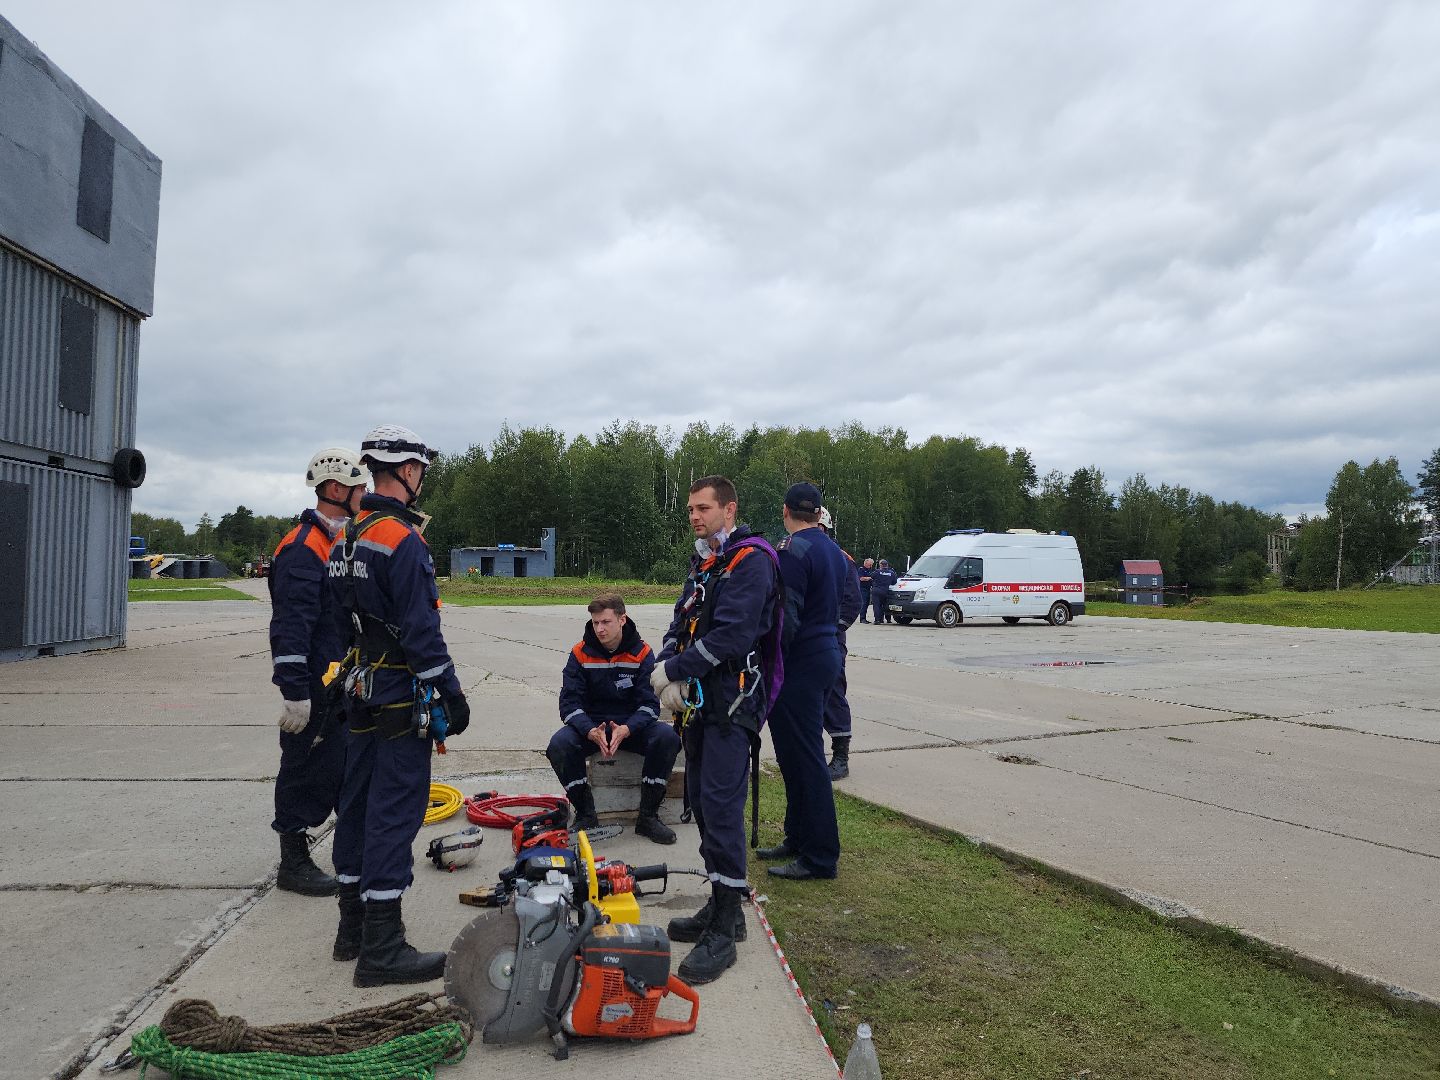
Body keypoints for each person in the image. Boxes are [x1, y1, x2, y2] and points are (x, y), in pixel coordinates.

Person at [327, 424, 470, 988]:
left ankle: (351, 929)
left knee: (356, 804)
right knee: (394, 811)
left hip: (358, 688)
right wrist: (451, 693)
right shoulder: (402, 540)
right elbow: (420, 630)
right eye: (421, 472)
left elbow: (340, 618)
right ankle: (383, 948)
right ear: (408, 471)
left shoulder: (349, 534)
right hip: (395, 697)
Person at [650, 475, 781, 985]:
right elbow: (682, 622)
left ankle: (725, 926)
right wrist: (667, 670)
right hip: (702, 706)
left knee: (722, 807)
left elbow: (733, 634)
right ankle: (724, 905)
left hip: (734, 702)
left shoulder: (752, 561)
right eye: (689, 509)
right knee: (702, 804)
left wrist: (678, 672)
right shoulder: (705, 560)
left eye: (703, 508)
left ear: (729, 509)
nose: (694, 517)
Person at [268, 448, 369, 896]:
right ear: (334, 489)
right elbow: (291, 626)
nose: (365, 495)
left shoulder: (337, 542)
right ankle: (292, 860)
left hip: (338, 680)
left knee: (340, 765)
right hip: (312, 684)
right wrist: (294, 691)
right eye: (359, 487)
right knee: (304, 766)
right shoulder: (302, 548)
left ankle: (349, 847)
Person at [756, 482, 846, 882]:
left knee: (806, 758)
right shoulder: (832, 550)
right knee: (793, 754)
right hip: (826, 652)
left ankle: (821, 856)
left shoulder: (793, 552)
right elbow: (845, 604)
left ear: (785, 510)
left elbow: (786, 617)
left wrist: (769, 661)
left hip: (799, 660)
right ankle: (797, 836)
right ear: (818, 512)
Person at [546, 593, 680, 845]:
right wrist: (589, 730)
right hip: (592, 726)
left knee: (667, 738)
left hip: (630, 726)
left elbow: (650, 705)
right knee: (559, 745)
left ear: (622, 619)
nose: (600, 628)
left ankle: (648, 817)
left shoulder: (642, 653)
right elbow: (569, 703)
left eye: (606, 622)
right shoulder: (579, 653)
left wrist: (627, 729)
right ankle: (586, 815)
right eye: (596, 622)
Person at [816, 507, 862, 780]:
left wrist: (833, 631)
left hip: (830, 640)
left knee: (833, 694)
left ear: (823, 528)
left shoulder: (841, 559)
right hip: (803, 642)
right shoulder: (796, 553)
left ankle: (841, 756)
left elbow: (852, 602)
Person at [870, 558, 900, 624]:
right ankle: (888, 619)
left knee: (877, 605)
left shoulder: (877, 571)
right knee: (885, 605)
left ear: (881, 565)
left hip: (876, 590)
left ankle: (877, 620)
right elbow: (894, 582)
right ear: (887, 565)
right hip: (885, 591)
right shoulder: (891, 573)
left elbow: (871, 577)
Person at [858, 558, 875, 622]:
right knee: (864, 604)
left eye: (871, 565)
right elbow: (861, 578)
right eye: (870, 564)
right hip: (862, 589)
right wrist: (870, 578)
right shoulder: (861, 569)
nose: (871, 566)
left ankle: (864, 618)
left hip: (868, 589)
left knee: (867, 603)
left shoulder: (870, 570)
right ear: (866, 563)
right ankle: (862, 618)